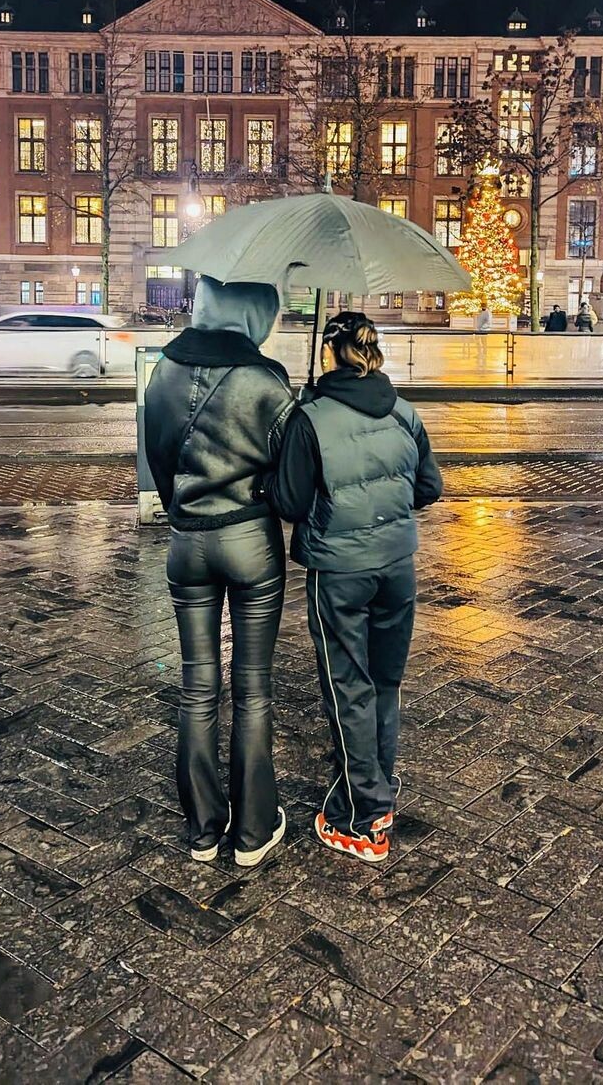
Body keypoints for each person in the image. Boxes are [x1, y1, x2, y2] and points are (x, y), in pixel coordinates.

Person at [265, 312, 442, 864]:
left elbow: (290, 503)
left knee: (349, 688)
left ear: (329, 353)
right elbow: (428, 488)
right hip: (397, 566)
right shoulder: (404, 411)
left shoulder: (310, 418)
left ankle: (363, 819)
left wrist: (280, 459)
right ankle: (378, 786)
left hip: (339, 571)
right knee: (384, 682)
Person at [144, 277, 295, 868]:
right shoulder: (267, 380)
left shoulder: (164, 371)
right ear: (255, 314)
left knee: (197, 684)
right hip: (251, 540)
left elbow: (158, 460)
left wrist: (184, 510)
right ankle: (254, 829)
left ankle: (204, 828)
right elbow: (290, 480)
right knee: (253, 686)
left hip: (187, 544)